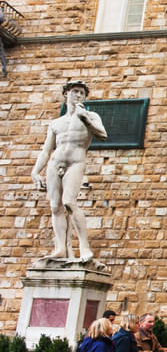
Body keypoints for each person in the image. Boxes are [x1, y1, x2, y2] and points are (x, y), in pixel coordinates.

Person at [30, 81, 107, 260]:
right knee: (55, 206)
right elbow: (46, 150)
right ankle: (60, 248)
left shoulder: (91, 115)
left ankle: (84, 247)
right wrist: (35, 171)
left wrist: (85, 119)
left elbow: (103, 135)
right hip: (55, 163)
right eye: (74, 92)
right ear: (66, 94)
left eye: (81, 93)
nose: (78, 95)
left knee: (69, 203)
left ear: (85, 97)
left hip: (75, 162)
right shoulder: (56, 123)